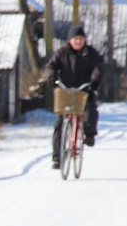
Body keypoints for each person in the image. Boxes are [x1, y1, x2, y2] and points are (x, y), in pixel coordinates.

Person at [40, 24, 106, 168]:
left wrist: (94, 82)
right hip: (66, 91)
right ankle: (57, 157)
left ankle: (89, 135)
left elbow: (99, 68)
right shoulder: (62, 53)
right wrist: (52, 78)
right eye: (76, 38)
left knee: (90, 109)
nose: (78, 41)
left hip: (84, 90)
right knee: (59, 122)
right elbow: (50, 66)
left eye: (81, 38)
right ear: (70, 40)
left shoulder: (91, 53)